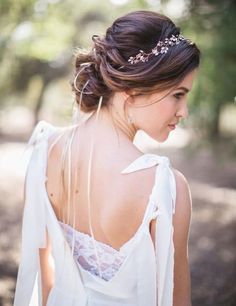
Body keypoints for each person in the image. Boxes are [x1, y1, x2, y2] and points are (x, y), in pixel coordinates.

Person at [13, 10, 200, 306]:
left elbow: (46, 276)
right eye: (178, 94)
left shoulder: (45, 150)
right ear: (134, 87)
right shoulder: (165, 187)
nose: (184, 111)